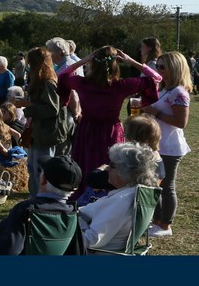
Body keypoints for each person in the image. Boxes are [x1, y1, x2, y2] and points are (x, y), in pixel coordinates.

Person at [58, 46, 161, 199]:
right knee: (111, 166)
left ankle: (85, 197)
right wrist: (131, 60)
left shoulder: (82, 83)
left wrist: (84, 60)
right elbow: (156, 78)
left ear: (93, 63)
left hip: (88, 130)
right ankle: (109, 197)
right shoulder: (121, 86)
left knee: (87, 165)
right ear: (115, 64)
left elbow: (61, 75)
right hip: (111, 131)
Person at [0, 155, 84, 255]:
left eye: (40, 171)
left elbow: (9, 251)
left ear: (43, 180)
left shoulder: (25, 209)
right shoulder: (73, 212)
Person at [142, 51, 191, 237]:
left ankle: (165, 225)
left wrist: (156, 113)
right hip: (160, 145)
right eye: (158, 66)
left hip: (171, 146)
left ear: (174, 68)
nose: (158, 70)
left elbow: (182, 122)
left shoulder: (179, 92)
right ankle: (156, 221)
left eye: (162, 67)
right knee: (155, 185)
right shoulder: (166, 89)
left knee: (167, 186)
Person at [79, 142, 161, 252]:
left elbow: (91, 240)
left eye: (112, 165)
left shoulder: (123, 201)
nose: (107, 168)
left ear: (126, 171)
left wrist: (75, 218)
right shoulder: (131, 193)